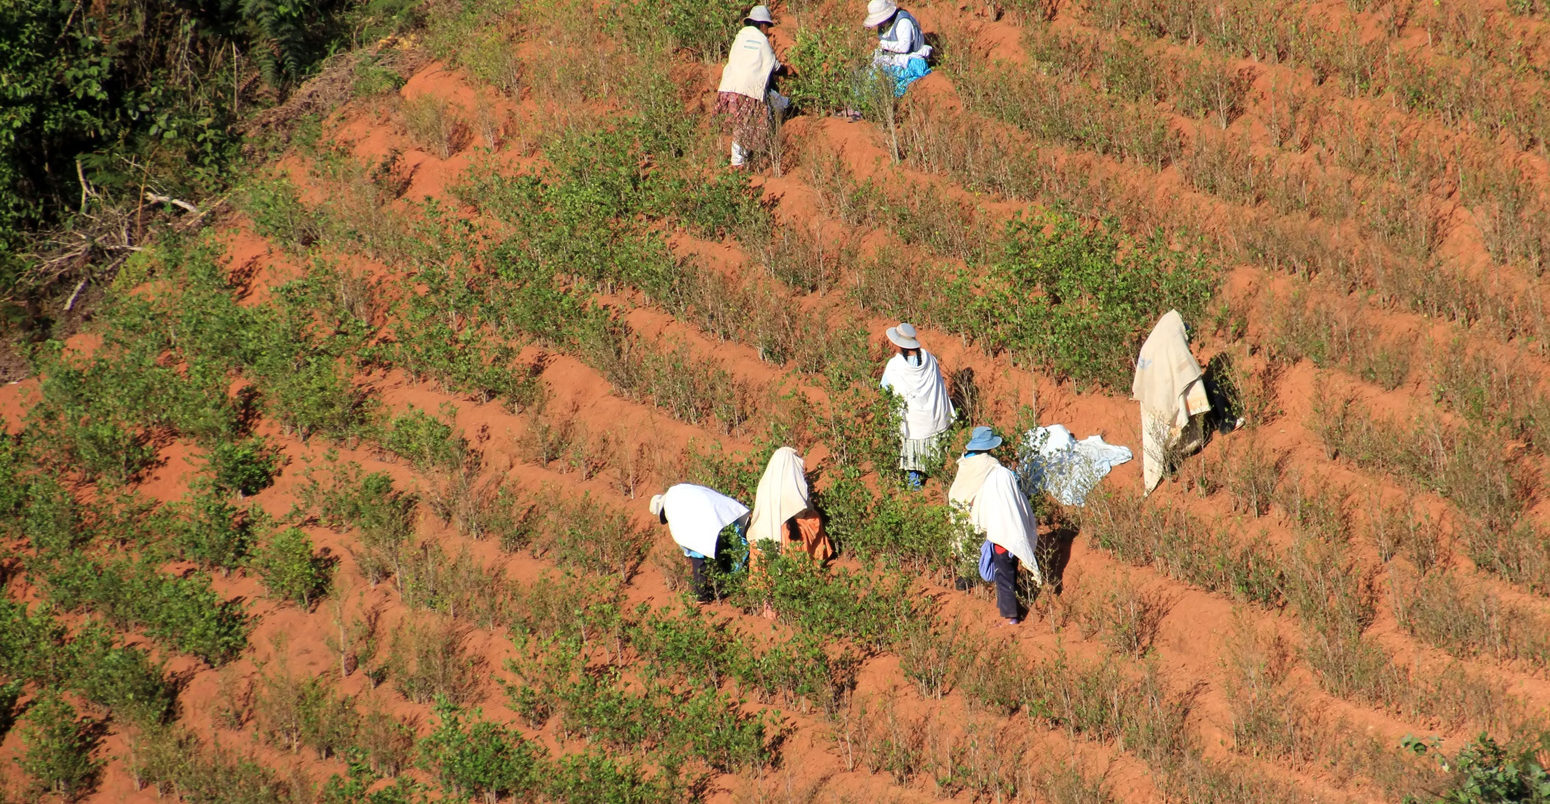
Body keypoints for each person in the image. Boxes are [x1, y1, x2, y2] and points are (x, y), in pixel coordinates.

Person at [948, 426, 1042, 625]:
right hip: (1002, 529)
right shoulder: (994, 467)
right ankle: (1011, 614)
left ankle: (1008, 614)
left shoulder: (965, 461)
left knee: (993, 568)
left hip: (963, 507)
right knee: (1007, 575)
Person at [1131, 310, 1211, 496]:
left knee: (1155, 436)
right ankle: (1176, 454)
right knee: (1174, 425)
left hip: (1151, 394)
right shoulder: (1173, 343)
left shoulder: (1159, 337)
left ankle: (1160, 466)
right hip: (1160, 389)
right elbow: (1188, 375)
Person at [880, 322, 955, 488]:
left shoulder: (895, 365)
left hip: (913, 422)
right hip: (934, 417)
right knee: (934, 455)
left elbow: (884, 389)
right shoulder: (929, 357)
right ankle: (935, 476)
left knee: (912, 458)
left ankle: (915, 486)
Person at [715, 6, 790, 169]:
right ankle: (738, 163)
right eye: (767, 26)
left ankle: (740, 161)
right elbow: (774, 66)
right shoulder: (762, 40)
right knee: (745, 125)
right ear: (762, 24)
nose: (768, 30)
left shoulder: (740, 37)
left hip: (730, 85)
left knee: (739, 125)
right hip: (748, 89)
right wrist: (787, 71)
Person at [650, 484, 750, 601]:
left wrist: (691, 551)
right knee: (734, 545)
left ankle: (704, 593)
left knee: (698, 556)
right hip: (722, 510)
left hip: (709, 518)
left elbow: (684, 537)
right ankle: (730, 580)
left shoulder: (671, 505)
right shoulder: (679, 490)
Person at [748, 446, 833, 571]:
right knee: (814, 518)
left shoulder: (765, 484)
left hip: (764, 536)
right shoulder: (792, 483)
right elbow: (802, 508)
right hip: (789, 538)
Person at [863, 0, 932, 96]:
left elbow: (904, 47)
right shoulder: (883, 27)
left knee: (883, 78)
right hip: (895, 61)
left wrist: (883, 44)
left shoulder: (903, 22)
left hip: (911, 61)